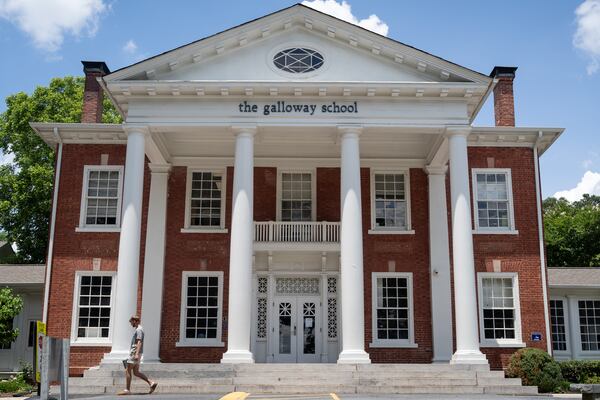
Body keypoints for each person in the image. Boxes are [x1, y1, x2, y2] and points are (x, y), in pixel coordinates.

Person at [117, 315, 158, 395]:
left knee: (127, 370)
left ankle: (127, 390)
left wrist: (136, 354)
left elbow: (139, 342)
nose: (131, 323)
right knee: (136, 372)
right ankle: (151, 383)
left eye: (131, 322)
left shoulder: (139, 330)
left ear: (135, 321)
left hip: (135, 352)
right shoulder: (139, 329)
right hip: (137, 353)